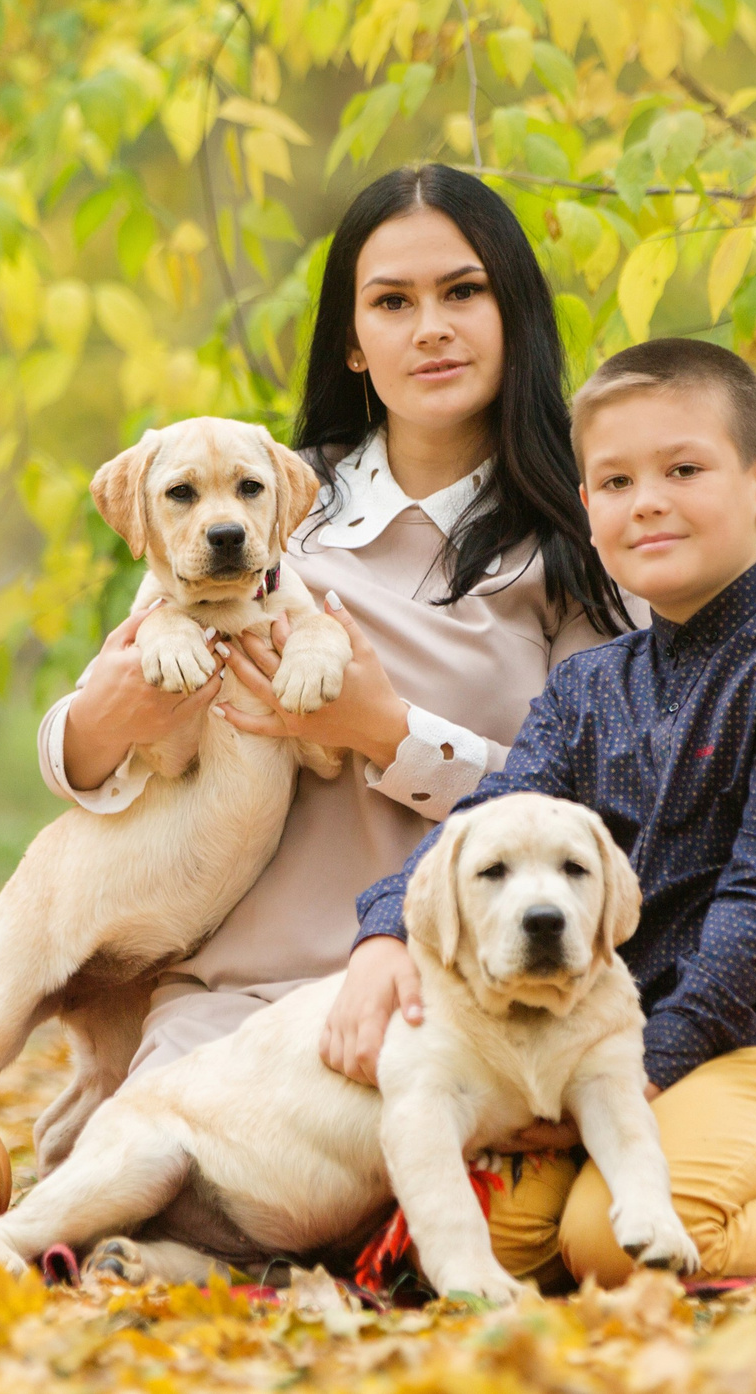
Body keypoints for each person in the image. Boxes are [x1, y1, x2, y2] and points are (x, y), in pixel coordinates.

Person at [334, 337, 756, 1285]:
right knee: (491, 1248)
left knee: (607, 1243)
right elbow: (491, 817)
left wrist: (655, 1061)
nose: (647, 500)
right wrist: (385, 931)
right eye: (614, 481)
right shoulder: (589, 686)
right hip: (607, 1044)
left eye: (684, 469)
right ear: (589, 510)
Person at [36, 164, 633, 1076]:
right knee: (158, 1188)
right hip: (231, 994)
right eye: (392, 302)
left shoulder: (580, 549)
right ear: (352, 341)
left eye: (463, 292)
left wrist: (385, 732)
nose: (430, 326)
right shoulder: (261, 501)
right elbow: (89, 749)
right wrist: (103, 721)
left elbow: (598, 816)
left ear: (513, 312)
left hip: (450, 994)